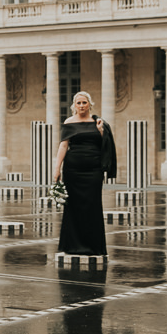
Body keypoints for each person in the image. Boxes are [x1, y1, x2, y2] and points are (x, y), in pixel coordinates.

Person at [51, 91, 117, 256]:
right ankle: (72, 246)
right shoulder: (69, 122)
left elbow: (105, 143)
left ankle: (94, 247)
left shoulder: (98, 122)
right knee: (72, 207)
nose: (81, 106)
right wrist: (57, 168)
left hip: (93, 170)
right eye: (78, 103)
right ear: (74, 105)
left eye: (84, 103)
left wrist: (101, 131)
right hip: (72, 169)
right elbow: (63, 146)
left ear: (89, 104)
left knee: (92, 205)